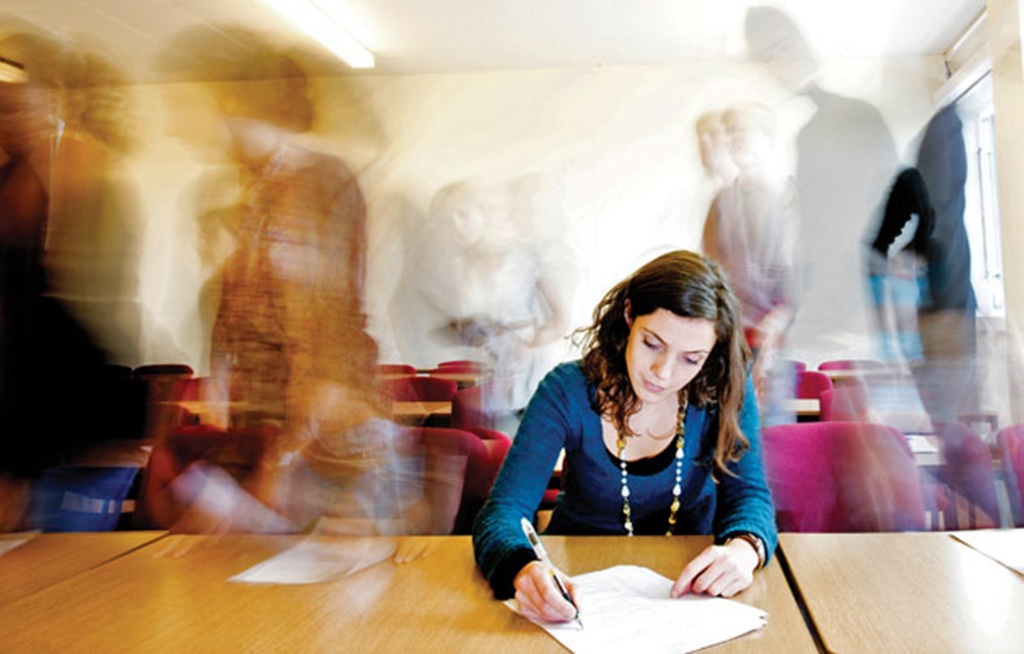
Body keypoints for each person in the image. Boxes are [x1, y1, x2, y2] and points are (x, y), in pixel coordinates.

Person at [472, 250, 777, 623]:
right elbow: (503, 511)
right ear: (630, 315)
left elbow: (750, 494)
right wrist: (522, 569)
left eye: (691, 359)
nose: (663, 373)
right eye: (653, 343)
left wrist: (744, 550)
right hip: (579, 585)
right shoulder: (566, 390)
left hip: (690, 587)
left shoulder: (725, 384)